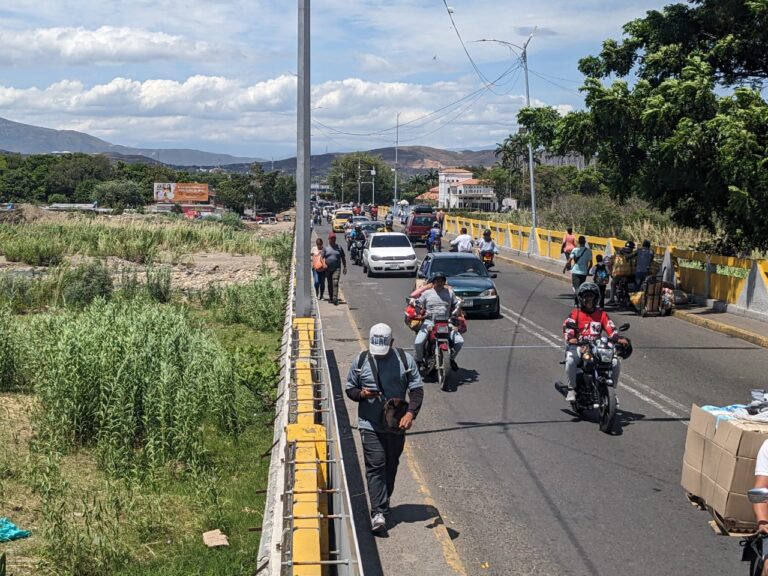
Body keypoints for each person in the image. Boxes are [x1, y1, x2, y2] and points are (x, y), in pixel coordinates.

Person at [346, 323, 423, 534]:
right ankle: (377, 512)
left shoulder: (404, 360)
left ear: (392, 343)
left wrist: (410, 414)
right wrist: (362, 394)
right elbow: (350, 389)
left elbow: (416, 390)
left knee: (391, 464)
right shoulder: (360, 361)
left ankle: (383, 500)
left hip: (395, 424)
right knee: (376, 463)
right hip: (369, 424)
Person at [562, 283, 627, 403]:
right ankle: (572, 388)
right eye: (585, 296)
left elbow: (610, 327)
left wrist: (617, 338)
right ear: (580, 298)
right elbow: (567, 325)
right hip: (579, 346)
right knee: (571, 360)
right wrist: (572, 338)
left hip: (596, 347)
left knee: (615, 362)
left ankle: (612, 390)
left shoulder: (601, 314)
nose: (588, 299)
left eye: (591, 296)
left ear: (595, 298)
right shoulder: (575, 313)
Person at [413, 271, 464, 373]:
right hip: (429, 322)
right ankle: (419, 360)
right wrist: (417, 308)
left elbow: (456, 304)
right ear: (433, 282)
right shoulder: (426, 293)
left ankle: (450, 359)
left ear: (444, 282)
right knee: (418, 342)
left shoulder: (450, 293)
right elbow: (418, 303)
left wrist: (458, 309)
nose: (439, 283)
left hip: (446, 322)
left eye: (441, 281)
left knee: (459, 341)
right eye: (437, 281)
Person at [323, 233, 347, 305]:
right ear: (329, 239)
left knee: (335, 282)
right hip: (328, 269)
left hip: (337, 268)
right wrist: (323, 264)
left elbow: (343, 257)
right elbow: (321, 258)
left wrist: (345, 267)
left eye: (334, 239)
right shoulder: (326, 248)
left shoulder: (339, 248)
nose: (333, 240)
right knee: (330, 284)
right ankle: (331, 297)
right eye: (331, 239)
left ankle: (335, 298)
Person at [568, 236, 593, 305]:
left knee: (576, 287)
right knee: (581, 287)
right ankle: (580, 300)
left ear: (578, 242)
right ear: (585, 242)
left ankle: (577, 302)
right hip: (584, 273)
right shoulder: (589, 251)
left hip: (575, 272)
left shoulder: (575, 250)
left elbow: (569, 260)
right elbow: (591, 263)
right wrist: (587, 271)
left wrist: (565, 268)